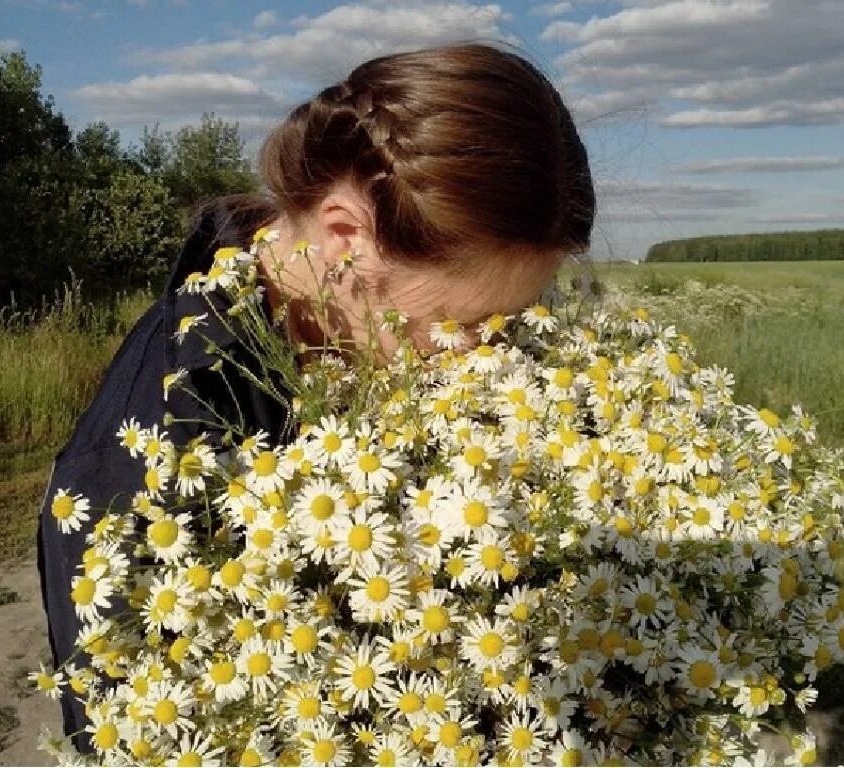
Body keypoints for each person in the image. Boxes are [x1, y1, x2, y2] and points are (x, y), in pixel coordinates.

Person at [37, 40, 596, 752]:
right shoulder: (148, 452)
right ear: (344, 239)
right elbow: (123, 733)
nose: (482, 362)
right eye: (465, 326)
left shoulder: (328, 330)